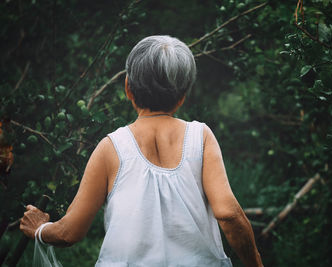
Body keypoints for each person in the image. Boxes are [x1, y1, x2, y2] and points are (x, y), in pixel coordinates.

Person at [20, 35, 263, 266]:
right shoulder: (201, 137)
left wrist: (39, 228)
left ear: (128, 88)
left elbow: (68, 232)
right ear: (182, 96)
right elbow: (229, 215)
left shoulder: (110, 147)